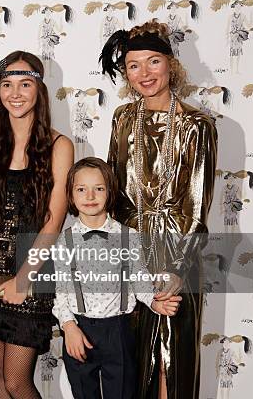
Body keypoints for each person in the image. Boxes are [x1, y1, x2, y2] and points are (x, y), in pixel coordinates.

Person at [99, 20, 217, 398]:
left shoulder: (197, 126)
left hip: (176, 254)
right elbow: (111, 191)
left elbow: (196, 206)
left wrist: (177, 270)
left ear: (171, 65)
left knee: (170, 361)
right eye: (134, 65)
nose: (144, 73)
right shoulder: (121, 118)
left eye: (153, 62)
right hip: (130, 254)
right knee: (131, 361)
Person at [0, 51, 73, 398]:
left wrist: (23, 278)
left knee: (17, 382)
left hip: (29, 275)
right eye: (7, 84)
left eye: (25, 84)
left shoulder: (59, 146)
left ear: (39, 91)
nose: (15, 93)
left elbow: (54, 219)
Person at [52, 157, 182, 398]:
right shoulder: (64, 241)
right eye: (81, 189)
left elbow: (140, 281)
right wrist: (68, 327)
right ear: (70, 195)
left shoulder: (128, 237)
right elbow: (62, 292)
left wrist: (155, 302)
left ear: (110, 192)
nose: (90, 196)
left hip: (119, 332)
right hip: (79, 329)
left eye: (98, 188)